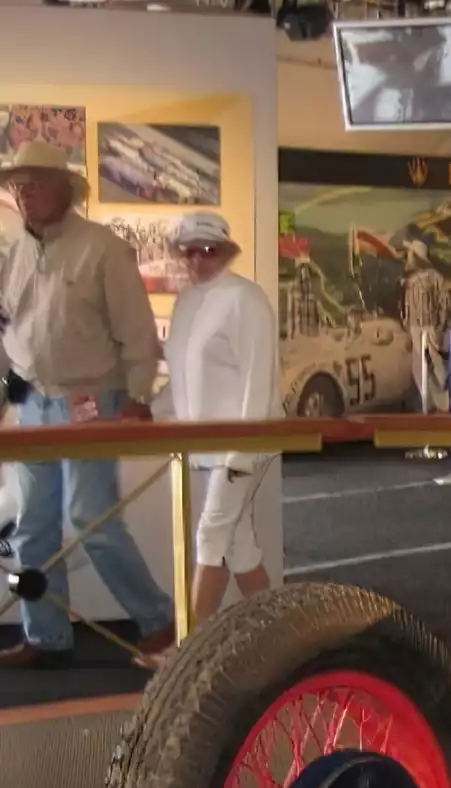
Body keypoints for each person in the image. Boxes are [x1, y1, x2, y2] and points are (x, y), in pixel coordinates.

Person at [0, 140, 173, 670]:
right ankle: (45, 635)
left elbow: (137, 330)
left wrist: (138, 396)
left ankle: (159, 622)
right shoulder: (13, 252)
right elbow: (7, 330)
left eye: (37, 183)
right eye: (19, 185)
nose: (25, 193)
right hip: (33, 402)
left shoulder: (103, 249)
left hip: (92, 399)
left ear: (66, 189)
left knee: (90, 518)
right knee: (30, 528)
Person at [153, 213, 279, 636]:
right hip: (201, 449)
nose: (198, 259)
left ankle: (188, 648)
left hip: (238, 447)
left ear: (225, 253)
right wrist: (151, 411)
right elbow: (181, 376)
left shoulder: (246, 299)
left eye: (208, 250)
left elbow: (258, 379)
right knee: (238, 545)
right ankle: (277, 634)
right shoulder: (186, 301)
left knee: (211, 535)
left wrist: (241, 454)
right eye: (190, 251)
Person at [402, 238, 451, 410]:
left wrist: (439, 327)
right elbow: (408, 306)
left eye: (410, 254)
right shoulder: (413, 280)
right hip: (418, 327)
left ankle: (441, 402)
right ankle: (431, 402)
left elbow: (443, 303)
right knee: (422, 366)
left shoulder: (431, 278)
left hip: (428, 327)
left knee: (435, 366)